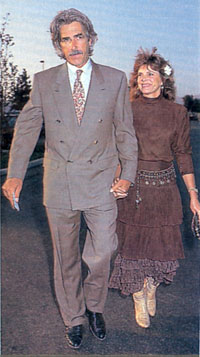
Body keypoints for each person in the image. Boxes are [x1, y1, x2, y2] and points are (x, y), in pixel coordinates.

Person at [2, 9, 138, 349]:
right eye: (66, 39)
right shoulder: (45, 82)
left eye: (79, 36)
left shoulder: (116, 78)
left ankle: (94, 305)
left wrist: (128, 174)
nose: (73, 45)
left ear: (91, 40)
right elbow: (28, 128)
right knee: (65, 257)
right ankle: (75, 317)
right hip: (60, 181)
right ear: (58, 46)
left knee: (103, 250)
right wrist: (16, 173)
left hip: (102, 179)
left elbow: (125, 131)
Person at [109, 47, 200, 329]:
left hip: (164, 190)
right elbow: (118, 149)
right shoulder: (127, 109)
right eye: (140, 74)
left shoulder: (177, 113)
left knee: (160, 249)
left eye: (151, 73)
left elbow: (183, 153)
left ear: (164, 80)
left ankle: (150, 288)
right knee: (133, 248)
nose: (144, 78)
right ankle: (138, 295)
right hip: (134, 188)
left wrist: (193, 195)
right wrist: (117, 180)